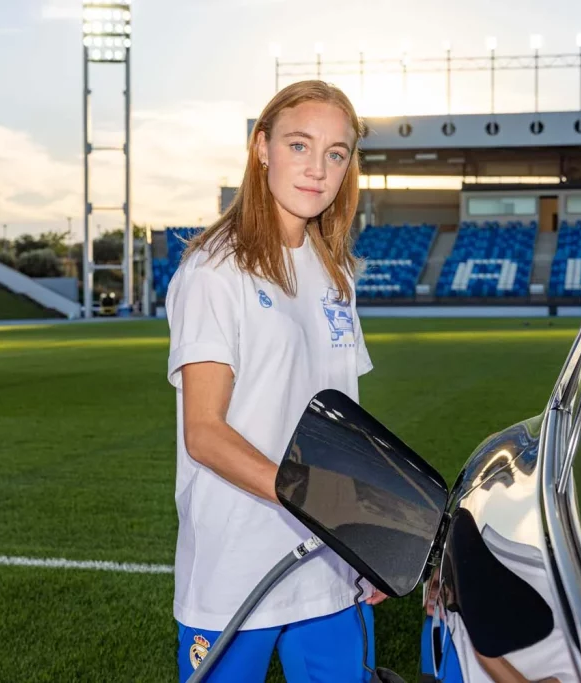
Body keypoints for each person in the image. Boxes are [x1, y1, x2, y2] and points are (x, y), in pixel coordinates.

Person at [164, 80, 385, 683]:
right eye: (299, 145)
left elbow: (344, 423)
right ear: (261, 147)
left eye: (336, 153)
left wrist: (369, 536)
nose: (318, 169)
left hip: (327, 563)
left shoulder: (336, 274)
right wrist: (321, 502)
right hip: (238, 566)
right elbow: (204, 434)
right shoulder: (214, 271)